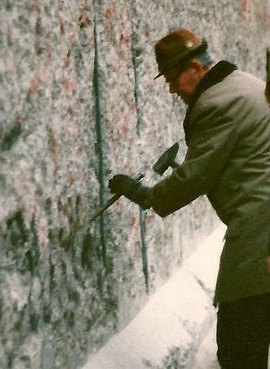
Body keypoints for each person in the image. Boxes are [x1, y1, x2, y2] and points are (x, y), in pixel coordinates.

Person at [109, 28, 270, 369]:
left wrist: (145, 194)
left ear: (196, 68)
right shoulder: (247, 84)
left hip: (259, 243)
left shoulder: (214, 105)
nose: (170, 88)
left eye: (171, 77)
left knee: (240, 352)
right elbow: (233, 161)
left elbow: (194, 178)